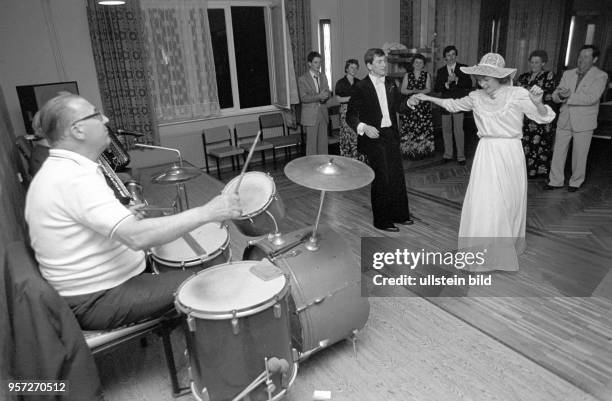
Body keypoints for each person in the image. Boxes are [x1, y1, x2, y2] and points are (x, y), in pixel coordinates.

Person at [25, 94, 242, 330]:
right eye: (96, 114)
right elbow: (137, 237)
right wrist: (208, 212)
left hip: (99, 288)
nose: (105, 118)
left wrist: (123, 214)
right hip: (98, 298)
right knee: (209, 280)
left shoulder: (62, 169)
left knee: (184, 260)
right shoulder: (72, 178)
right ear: (78, 130)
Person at [410, 53, 555, 271]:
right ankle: (484, 252)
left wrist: (538, 103)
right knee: (487, 201)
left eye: (486, 79)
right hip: (487, 152)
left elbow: (544, 117)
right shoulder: (476, 96)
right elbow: (452, 104)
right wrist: (427, 97)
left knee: (509, 200)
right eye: (480, 79)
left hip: (510, 152)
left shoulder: (518, 94)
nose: (482, 83)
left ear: (499, 77)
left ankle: (504, 248)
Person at [347, 48, 413, 232]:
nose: (384, 65)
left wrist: (409, 103)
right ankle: (382, 221)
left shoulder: (391, 83)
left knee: (397, 174)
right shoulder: (361, 87)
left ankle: (400, 215)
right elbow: (350, 116)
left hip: (391, 134)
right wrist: (364, 128)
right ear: (369, 65)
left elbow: (399, 106)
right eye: (380, 62)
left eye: (384, 61)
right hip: (373, 137)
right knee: (382, 177)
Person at [545, 45, 608, 192]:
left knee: (580, 155)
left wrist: (568, 96)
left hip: (584, 122)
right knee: (558, 152)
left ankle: (576, 182)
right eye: (580, 56)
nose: (581, 60)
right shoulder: (568, 74)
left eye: (586, 57)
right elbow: (556, 95)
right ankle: (555, 180)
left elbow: (592, 98)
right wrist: (559, 96)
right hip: (565, 119)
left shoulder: (600, 76)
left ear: (595, 59)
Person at [516, 50, 557, 178]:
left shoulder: (548, 75)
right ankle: (524, 170)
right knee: (525, 142)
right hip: (525, 116)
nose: (533, 65)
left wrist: (530, 93)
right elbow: (517, 92)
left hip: (540, 115)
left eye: (537, 62)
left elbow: (549, 94)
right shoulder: (523, 76)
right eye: (532, 62)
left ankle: (538, 171)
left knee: (540, 144)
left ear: (543, 63)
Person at [434, 45, 473, 165]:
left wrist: (456, 80)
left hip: (458, 104)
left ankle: (461, 156)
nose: (451, 57)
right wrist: (447, 82)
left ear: (456, 55)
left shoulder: (463, 68)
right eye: (448, 55)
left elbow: (469, 84)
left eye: (453, 54)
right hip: (445, 104)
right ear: (445, 57)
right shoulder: (440, 71)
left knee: (458, 130)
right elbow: (436, 88)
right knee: (446, 130)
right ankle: (448, 154)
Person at [399, 53, 434, 159]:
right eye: (416, 62)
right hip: (410, 105)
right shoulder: (407, 75)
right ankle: (409, 152)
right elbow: (402, 90)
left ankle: (424, 151)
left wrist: (418, 91)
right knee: (410, 128)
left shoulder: (426, 75)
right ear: (413, 64)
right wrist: (413, 91)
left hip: (423, 106)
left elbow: (429, 89)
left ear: (423, 64)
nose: (418, 64)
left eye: (421, 62)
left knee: (423, 128)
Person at [298, 51, 331, 155]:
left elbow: (327, 92)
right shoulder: (303, 79)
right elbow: (303, 98)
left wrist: (325, 96)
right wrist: (319, 97)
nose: (318, 65)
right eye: (316, 62)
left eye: (320, 62)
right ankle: (311, 169)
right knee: (312, 145)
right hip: (311, 115)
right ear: (309, 63)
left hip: (323, 113)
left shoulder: (323, 76)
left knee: (323, 144)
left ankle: (323, 167)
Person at [335, 58, 366, 162]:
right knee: (346, 136)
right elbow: (338, 99)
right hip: (345, 111)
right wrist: (351, 98)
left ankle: (357, 159)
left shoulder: (359, 82)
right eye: (351, 67)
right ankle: (346, 160)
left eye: (355, 68)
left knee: (357, 134)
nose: (353, 69)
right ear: (347, 69)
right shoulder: (340, 82)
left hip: (357, 112)